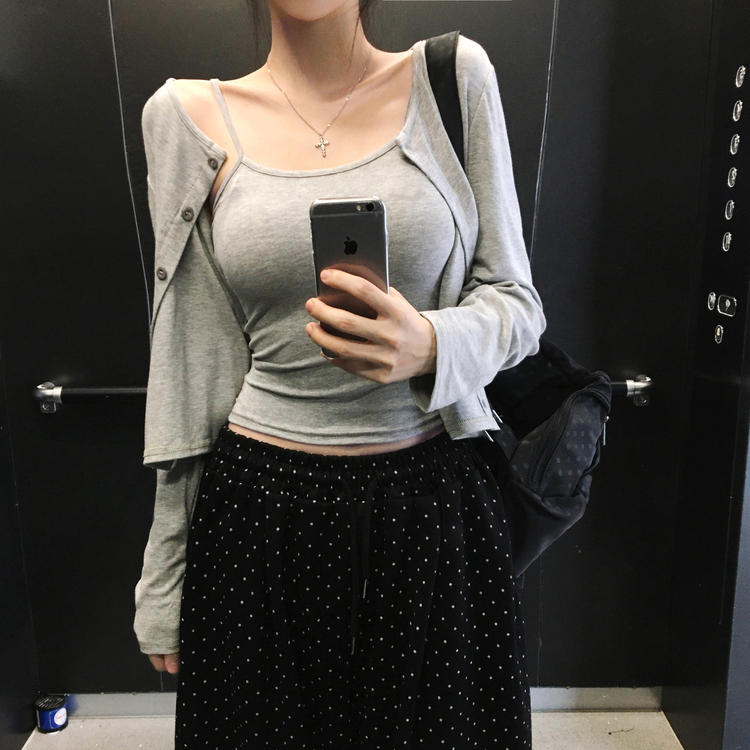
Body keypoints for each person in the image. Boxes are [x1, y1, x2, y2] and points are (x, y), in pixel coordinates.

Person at [133, 0, 546, 746]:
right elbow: (189, 359)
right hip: (257, 516)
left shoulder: (452, 81)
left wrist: (432, 343)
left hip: (434, 505)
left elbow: (518, 304)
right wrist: (166, 571)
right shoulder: (184, 117)